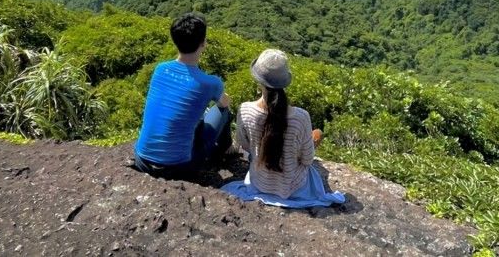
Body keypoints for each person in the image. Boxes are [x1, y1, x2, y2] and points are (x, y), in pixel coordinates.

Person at [221, 49, 345, 208]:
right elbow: (307, 160)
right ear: (285, 82)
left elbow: (244, 146)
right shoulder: (301, 117)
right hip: (294, 189)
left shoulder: (245, 110)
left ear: (259, 81)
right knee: (317, 133)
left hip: (258, 183)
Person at [134, 13, 232, 179]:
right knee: (225, 111)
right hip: (179, 168)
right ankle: (223, 152)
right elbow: (224, 103)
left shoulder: (160, 69)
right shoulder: (210, 83)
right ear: (203, 43)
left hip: (142, 160)